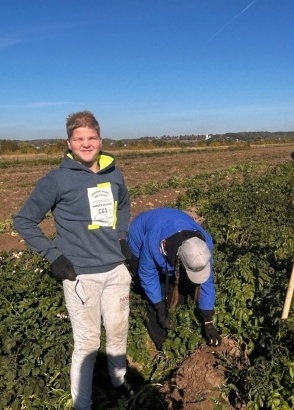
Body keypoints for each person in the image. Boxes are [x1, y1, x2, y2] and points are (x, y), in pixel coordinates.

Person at [13, 111, 132, 409]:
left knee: (118, 332)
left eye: (92, 137)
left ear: (100, 140)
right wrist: (53, 256)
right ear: (69, 143)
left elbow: (125, 205)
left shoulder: (113, 172)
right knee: (89, 344)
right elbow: (24, 220)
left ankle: (118, 383)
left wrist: (121, 237)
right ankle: (83, 404)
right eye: (79, 139)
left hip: (116, 271)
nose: (86, 143)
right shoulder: (56, 180)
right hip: (81, 276)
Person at [127, 207, 222, 354]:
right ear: (179, 259)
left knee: (181, 286)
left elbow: (207, 282)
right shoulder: (154, 246)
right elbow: (147, 276)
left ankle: (174, 311)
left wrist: (208, 321)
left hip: (172, 221)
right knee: (154, 293)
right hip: (140, 237)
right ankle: (162, 346)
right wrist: (159, 308)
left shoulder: (203, 246)